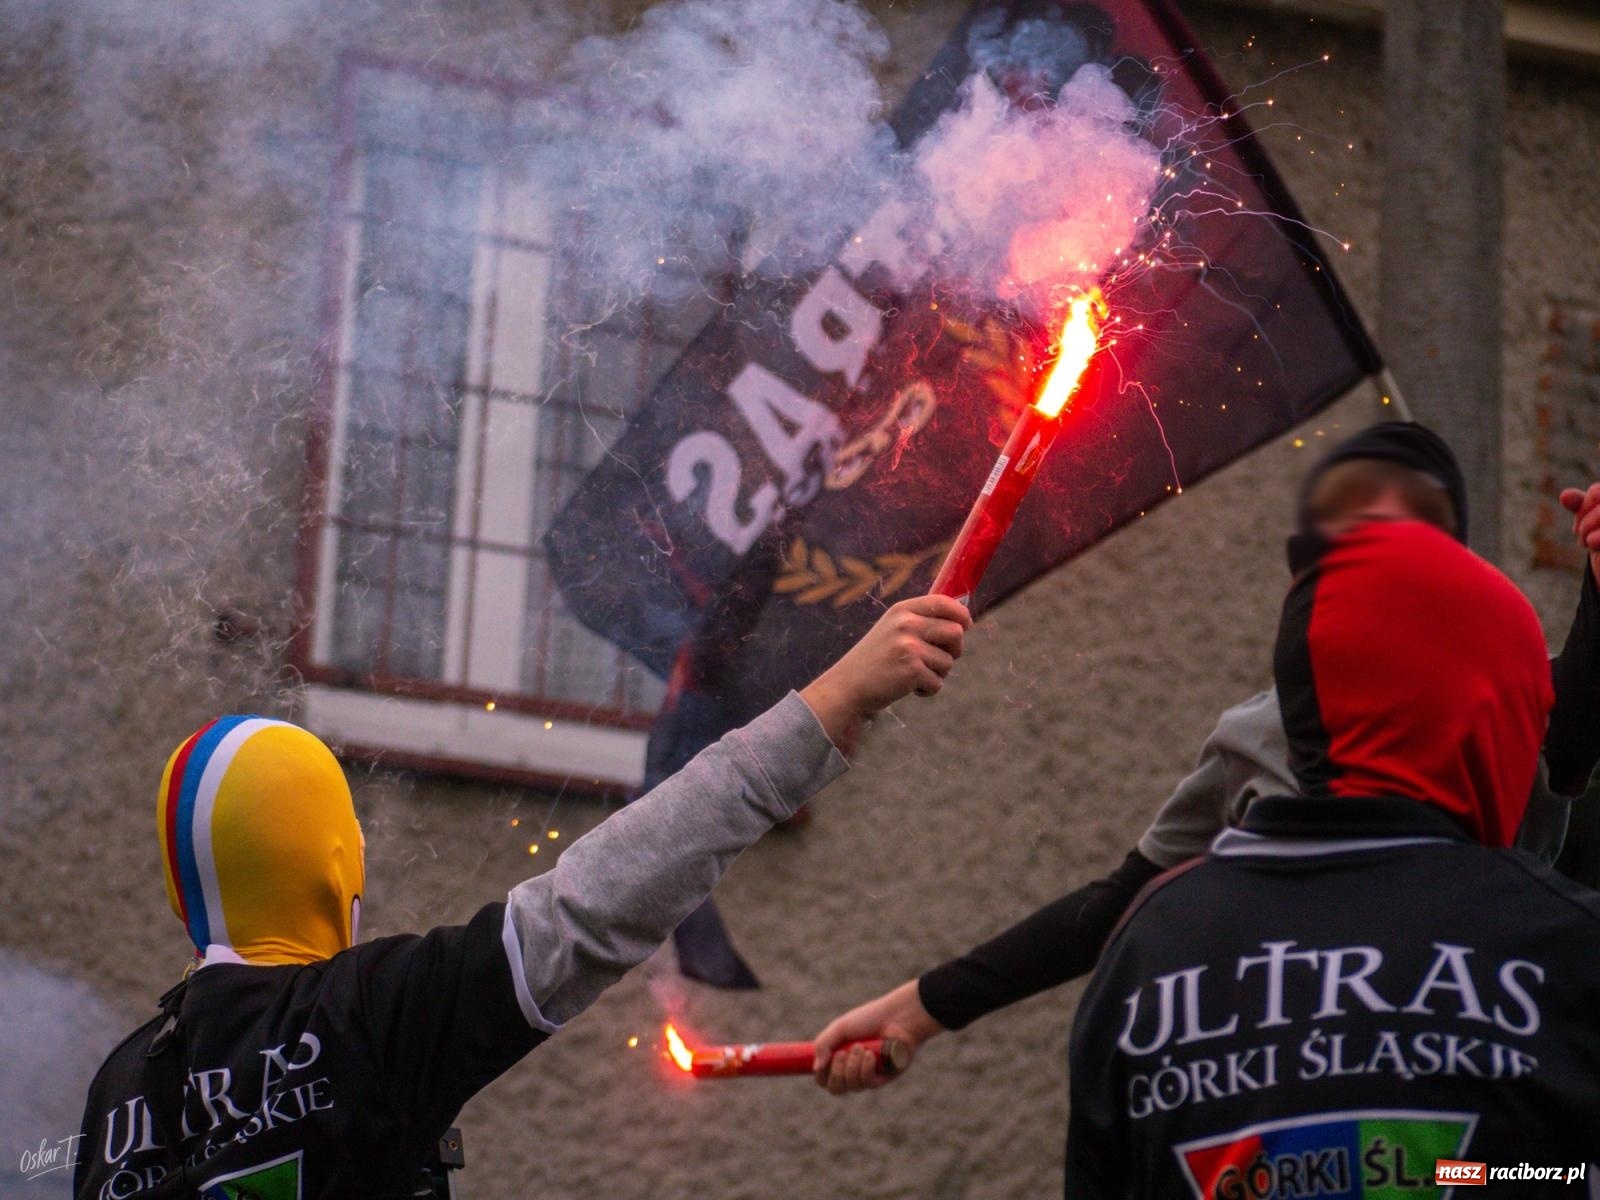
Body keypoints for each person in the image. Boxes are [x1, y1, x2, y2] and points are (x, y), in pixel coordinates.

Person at [73, 594, 971, 1200]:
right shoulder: (366, 1020)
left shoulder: (121, 1090)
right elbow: (597, 902)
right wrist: (834, 696)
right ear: (333, 864)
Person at [812, 422, 1600, 1093]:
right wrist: (925, 1006)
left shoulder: (1506, 697)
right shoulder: (1255, 736)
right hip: (1291, 1093)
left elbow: (1574, 726)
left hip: (1466, 1102)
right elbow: (1120, 902)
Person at [1065, 518, 1600, 1195]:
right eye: (1530, 708)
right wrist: (1454, 1172)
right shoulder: (1565, 945)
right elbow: (1545, 1176)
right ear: (1486, 715)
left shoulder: (1148, 950)